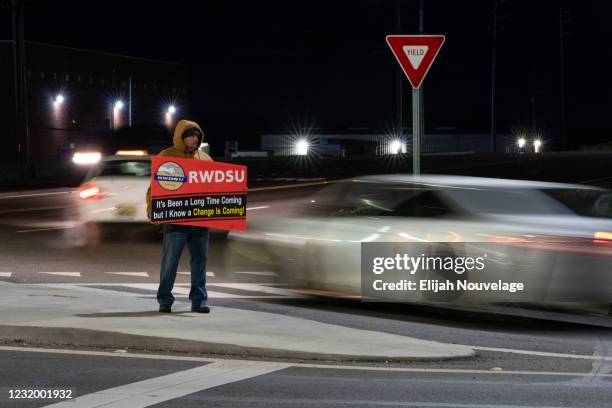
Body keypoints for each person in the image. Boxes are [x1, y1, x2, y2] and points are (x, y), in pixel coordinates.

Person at [146, 119, 213, 313]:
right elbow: (154, 187)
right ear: (181, 137)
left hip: (199, 221)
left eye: (197, 135)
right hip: (175, 220)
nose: (195, 138)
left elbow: (214, 187)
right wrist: (152, 209)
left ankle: (199, 300)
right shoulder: (166, 156)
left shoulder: (205, 159)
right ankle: (164, 299)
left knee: (200, 261)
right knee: (170, 261)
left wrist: (235, 191)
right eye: (191, 135)